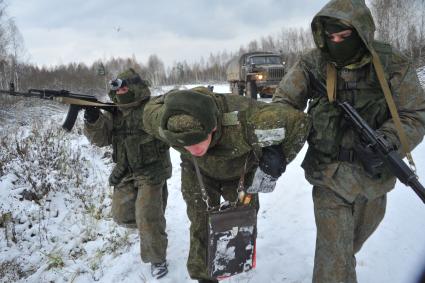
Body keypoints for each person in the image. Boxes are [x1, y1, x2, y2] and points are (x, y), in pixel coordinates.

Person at [272, 0, 425, 282]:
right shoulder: (313, 62)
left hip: (374, 178)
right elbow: (283, 103)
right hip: (328, 173)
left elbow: (414, 113)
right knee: (334, 258)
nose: (337, 42)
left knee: (349, 246)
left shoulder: (392, 63)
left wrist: (389, 141)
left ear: (362, 31)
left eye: (344, 36)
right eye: (331, 37)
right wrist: (275, 144)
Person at [142, 86, 311, 283]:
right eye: (184, 144)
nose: (193, 149)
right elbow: (147, 110)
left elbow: (299, 123)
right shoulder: (163, 122)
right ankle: (205, 278)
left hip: (240, 171)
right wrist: (172, 97)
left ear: (213, 127)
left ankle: (236, 262)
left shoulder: (248, 119)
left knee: (242, 221)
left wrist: (278, 157)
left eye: (198, 141)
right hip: (199, 173)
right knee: (201, 223)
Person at [83, 68, 172, 279]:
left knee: (147, 216)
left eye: (125, 87)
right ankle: (152, 221)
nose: (122, 91)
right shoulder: (114, 112)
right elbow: (101, 139)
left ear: (135, 87)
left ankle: (156, 258)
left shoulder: (151, 108)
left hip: (151, 171)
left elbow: (169, 130)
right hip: (124, 170)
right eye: (118, 88)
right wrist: (93, 120)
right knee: (121, 215)